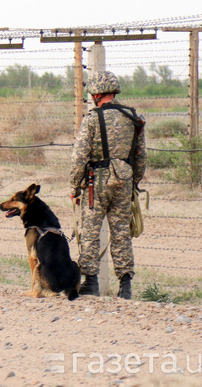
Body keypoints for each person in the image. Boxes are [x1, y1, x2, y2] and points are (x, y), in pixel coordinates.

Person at [69, 71, 146, 300]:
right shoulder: (133, 117)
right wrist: (134, 182)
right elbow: (141, 156)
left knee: (91, 231)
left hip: (97, 182)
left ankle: (90, 282)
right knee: (122, 232)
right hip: (124, 180)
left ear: (97, 94)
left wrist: (74, 186)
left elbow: (79, 156)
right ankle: (125, 286)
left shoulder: (92, 118)